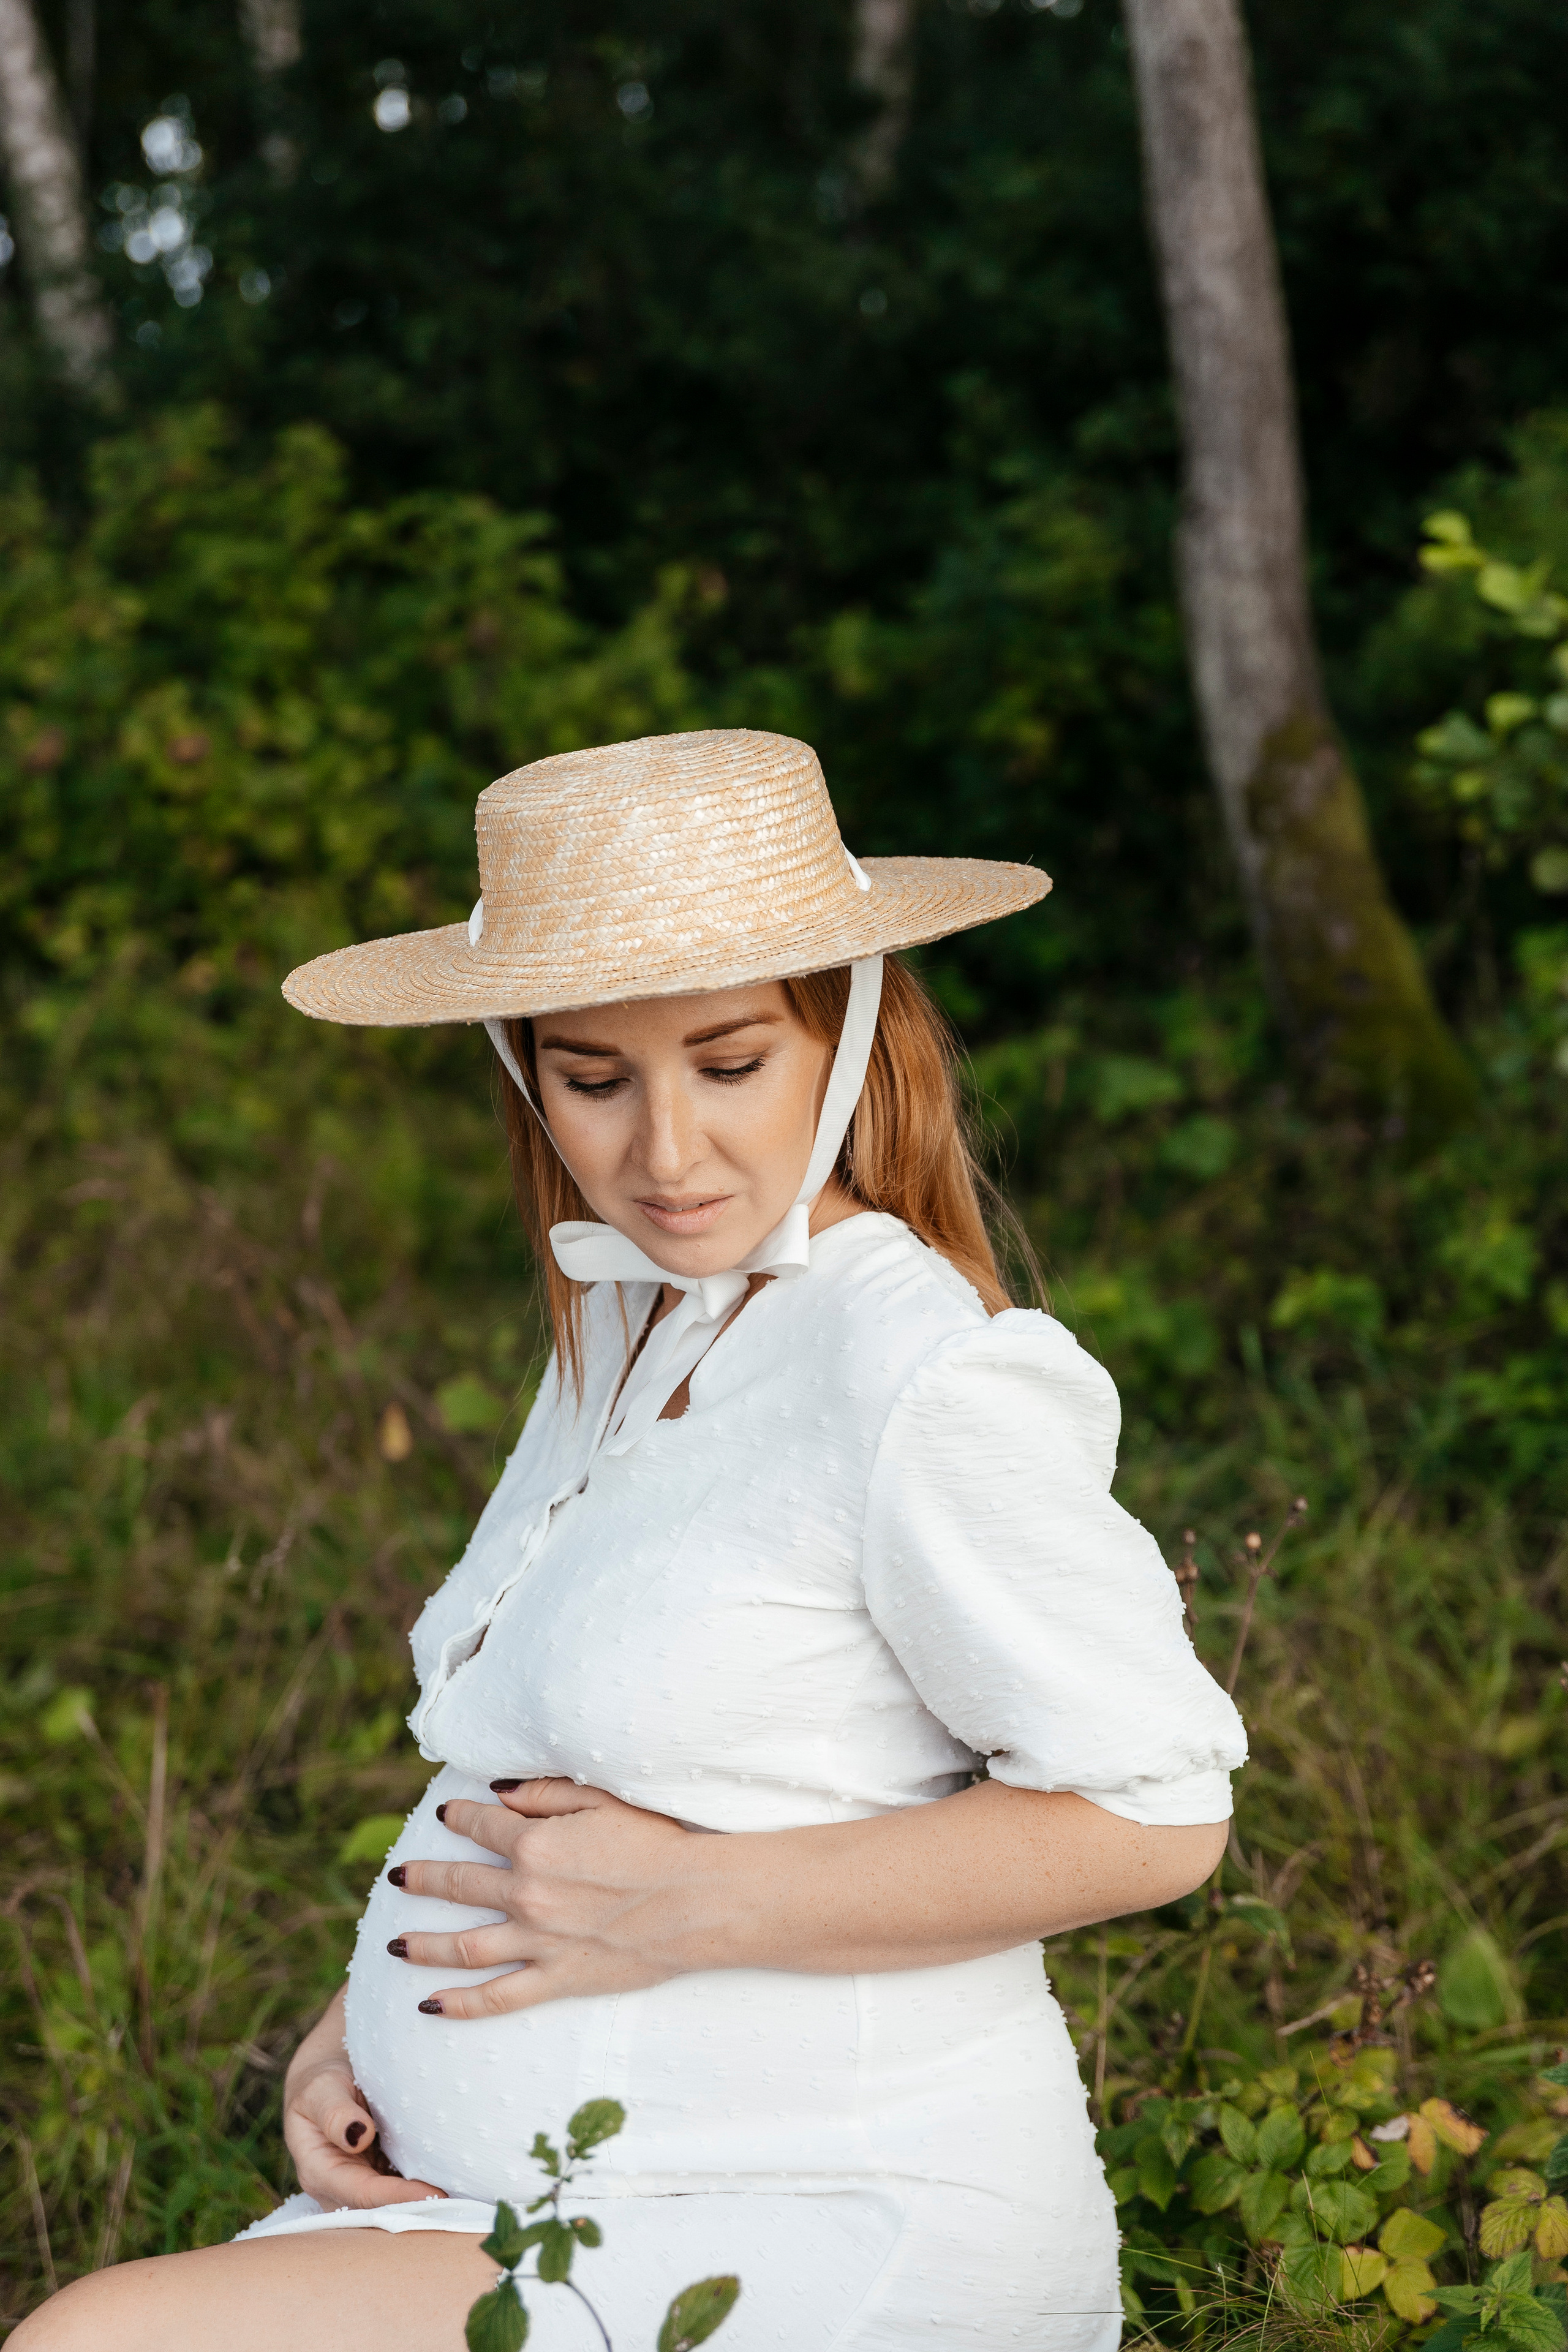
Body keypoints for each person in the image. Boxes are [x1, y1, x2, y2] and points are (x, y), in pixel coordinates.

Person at [18, 729, 1246, 2351]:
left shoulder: (922, 1374)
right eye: (596, 1079)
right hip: (524, 2190)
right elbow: (566, 1761)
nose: (665, 1155)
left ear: (849, 1036)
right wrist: (359, 2032)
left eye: (730, 1066)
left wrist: (686, 1909)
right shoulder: (630, 1315)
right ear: (526, 1070)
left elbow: (1154, 1819)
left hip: (824, 2218)